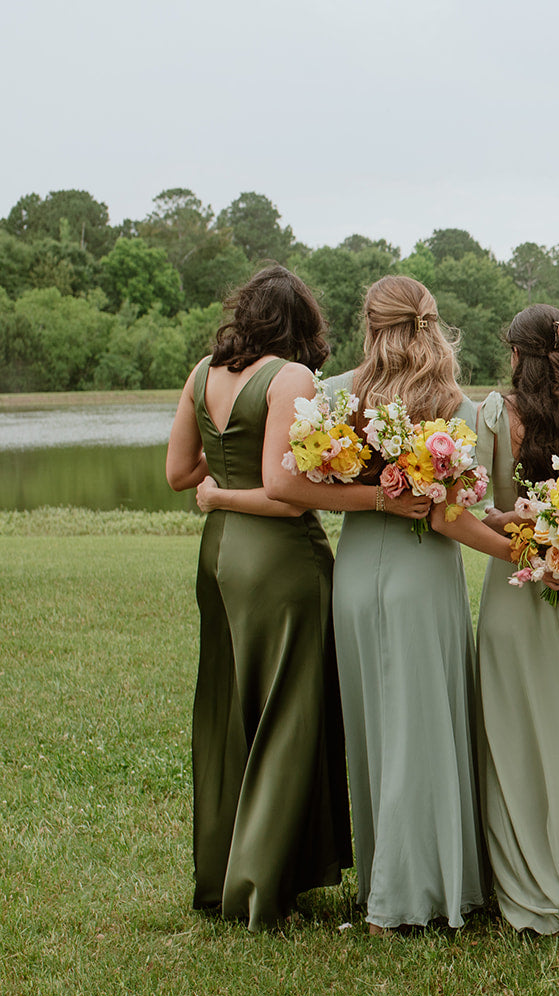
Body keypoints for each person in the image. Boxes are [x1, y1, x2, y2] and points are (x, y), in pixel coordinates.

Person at [268, 274, 514, 933]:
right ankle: (419, 889)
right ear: (433, 322)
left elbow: (291, 488)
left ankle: (391, 883)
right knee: (423, 728)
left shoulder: (335, 396)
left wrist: (370, 497)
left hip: (356, 574)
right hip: (424, 575)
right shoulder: (459, 406)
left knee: (379, 730)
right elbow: (466, 511)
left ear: (371, 325)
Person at [163, 265, 356, 930]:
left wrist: (218, 485)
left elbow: (176, 472)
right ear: (301, 321)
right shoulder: (289, 378)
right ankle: (260, 890)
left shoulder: (201, 374)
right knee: (286, 717)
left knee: (227, 713)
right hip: (279, 562)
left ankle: (223, 876)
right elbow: (282, 490)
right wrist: (232, 488)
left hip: (218, 557)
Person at [470, 306, 559, 934]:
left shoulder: (494, 414)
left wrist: (519, 525)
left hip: (513, 589)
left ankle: (525, 883)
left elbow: (470, 507)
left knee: (514, 739)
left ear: (514, 353)